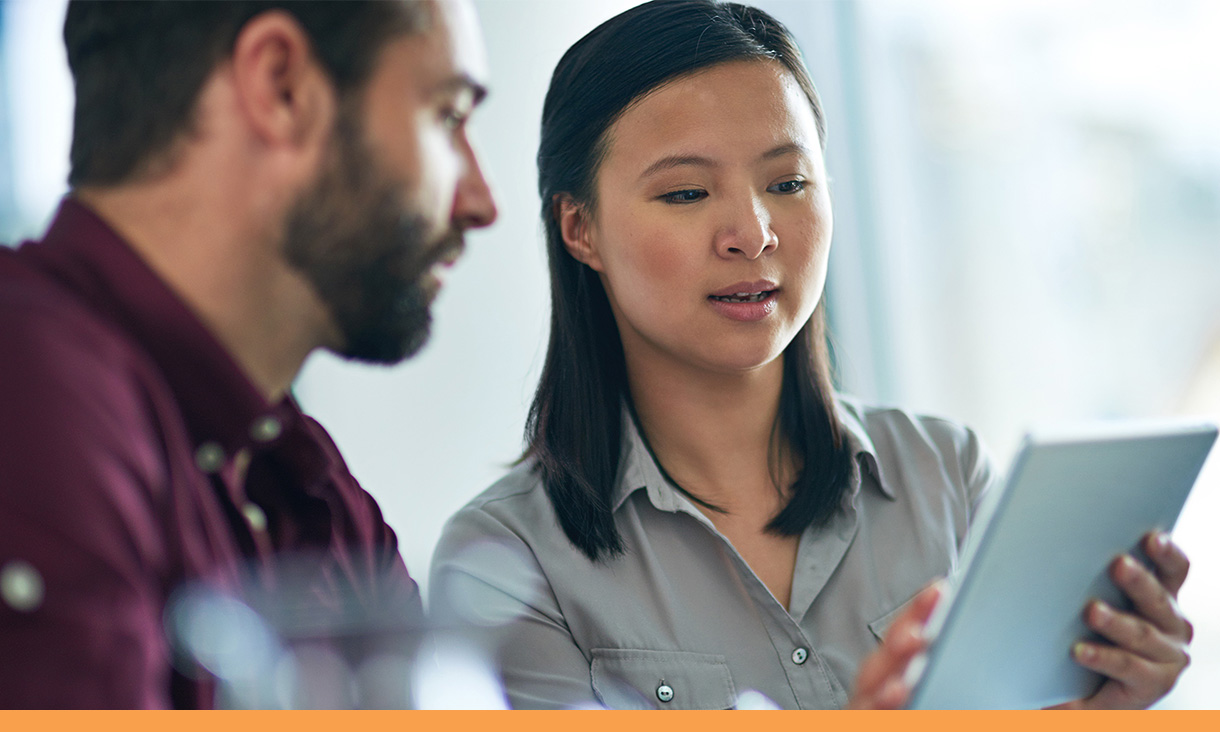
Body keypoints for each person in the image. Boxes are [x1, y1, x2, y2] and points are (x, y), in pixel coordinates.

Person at [430, 0, 1193, 710]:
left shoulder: (944, 475)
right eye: (687, 194)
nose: (753, 233)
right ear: (580, 229)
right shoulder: (505, 562)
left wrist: (1103, 709)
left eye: (788, 181)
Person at [0, 0, 495, 709]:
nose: (481, 201)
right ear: (280, 85)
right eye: (447, 117)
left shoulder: (316, 489)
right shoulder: (29, 398)